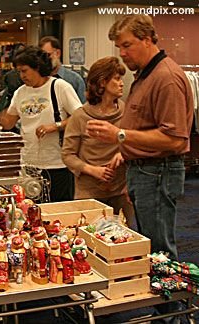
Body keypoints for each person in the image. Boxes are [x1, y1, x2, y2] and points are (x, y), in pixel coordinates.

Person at [86, 15, 193, 262]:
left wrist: (120, 135)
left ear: (147, 40)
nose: (122, 53)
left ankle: (172, 301)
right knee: (149, 245)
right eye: (119, 47)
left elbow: (175, 139)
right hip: (145, 172)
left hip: (157, 173)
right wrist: (126, 153)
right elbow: (149, 126)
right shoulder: (146, 74)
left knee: (159, 252)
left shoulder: (165, 78)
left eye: (126, 45)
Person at [0, 46, 82, 202]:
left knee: (56, 210)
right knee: (30, 209)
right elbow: (9, 122)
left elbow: (80, 117)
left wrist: (55, 126)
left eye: (24, 71)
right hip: (28, 164)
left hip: (57, 164)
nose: (21, 76)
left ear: (38, 67)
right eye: (19, 71)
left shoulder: (59, 87)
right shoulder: (21, 92)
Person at [62, 56, 135, 227]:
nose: (122, 83)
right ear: (102, 83)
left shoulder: (127, 111)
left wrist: (122, 153)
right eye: (117, 78)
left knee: (124, 240)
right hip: (89, 191)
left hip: (121, 190)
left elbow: (135, 141)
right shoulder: (80, 116)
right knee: (90, 241)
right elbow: (67, 154)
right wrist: (93, 170)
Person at [39, 36, 86, 104]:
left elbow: (83, 108)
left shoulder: (75, 80)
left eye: (48, 55)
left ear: (58, 53)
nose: (44, 60)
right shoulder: (39, 79)